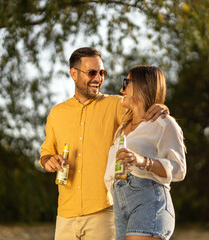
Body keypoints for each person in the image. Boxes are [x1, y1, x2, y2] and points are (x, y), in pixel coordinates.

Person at [39, 47, 169, 240]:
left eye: (102, 73)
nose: (98, 78)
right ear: (73, 74)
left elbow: (144, 115)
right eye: (92, 72)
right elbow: (46, 153)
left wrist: (160, 106)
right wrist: (49, 160)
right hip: (65, 213)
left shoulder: (116, 105)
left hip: (104, 211)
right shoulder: (56, 114)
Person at [104, 66, 187, 240]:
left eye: (126, 83)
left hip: (148, 201)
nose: (121, 89)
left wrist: (143, 161)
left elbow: (179, 169)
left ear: (142, 85)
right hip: (120, 206)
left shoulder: (163, 123)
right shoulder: (121, 128)